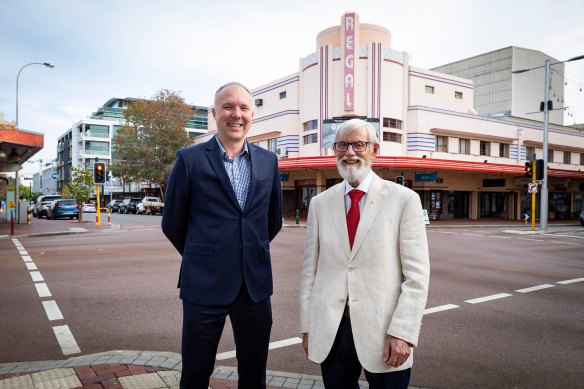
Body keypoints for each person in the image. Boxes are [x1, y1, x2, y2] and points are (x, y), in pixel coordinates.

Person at [162, 82, 283, 389]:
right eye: (228, 107)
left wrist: (245, 251)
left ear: (252, 114)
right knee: (196, 373)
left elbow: (273, 220)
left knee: (254, 375)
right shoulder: (189, 159)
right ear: (214, 113)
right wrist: (204, 254)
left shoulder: (268, 162)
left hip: (254, 287)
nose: (236, 114)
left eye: (243, 108)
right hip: (203, 285)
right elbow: (172, 223)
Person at [299, 118, 430, 389]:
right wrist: (308, 325)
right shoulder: (319, 204)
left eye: (359, 144)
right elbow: (309, 271)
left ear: (375, 150)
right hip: (332, 330)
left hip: (385, 332)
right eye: (342, 145)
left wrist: (403, 333)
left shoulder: (404, 200)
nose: (350, 152)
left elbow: (416, 277)